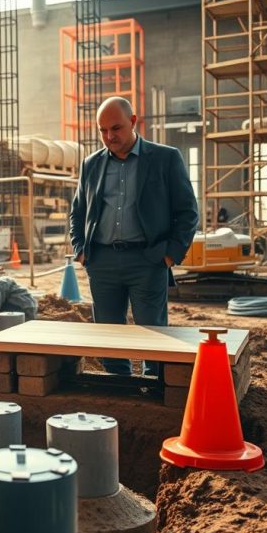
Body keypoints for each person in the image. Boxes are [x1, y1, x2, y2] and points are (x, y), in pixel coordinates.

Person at [69, 97, 199, 376]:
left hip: (148, 261)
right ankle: (119, 389)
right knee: (109, 336)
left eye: (115, 128)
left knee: (154, 334)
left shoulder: (165, 158)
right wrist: (81, 250)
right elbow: (77, 212)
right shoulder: (90, 164)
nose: (109, 136)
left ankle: (155, 390)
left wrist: (169, 254)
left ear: (133, 121)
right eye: (102, 130)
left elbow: (188, 212)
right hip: (101, 262)